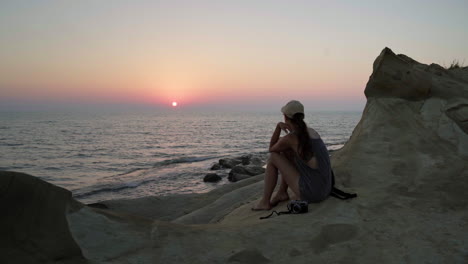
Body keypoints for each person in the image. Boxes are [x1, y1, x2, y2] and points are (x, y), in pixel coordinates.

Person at [252, 100, 332, 211]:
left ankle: (265, 202)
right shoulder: (312, 131)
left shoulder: (291, 138)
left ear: (285, 117)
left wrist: (278, 127)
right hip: (326, 188)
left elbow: (272, 149)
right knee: (286, 151)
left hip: (313, 193)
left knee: (274, 157)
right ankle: (282, 192)